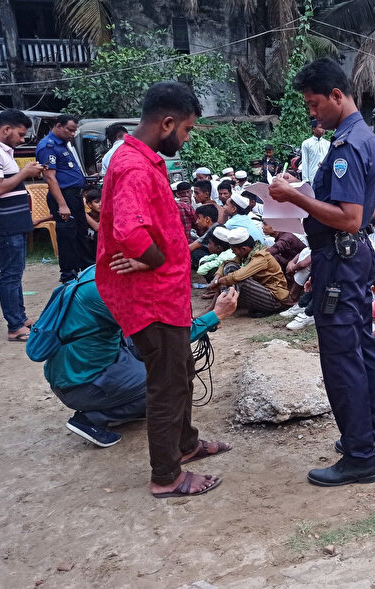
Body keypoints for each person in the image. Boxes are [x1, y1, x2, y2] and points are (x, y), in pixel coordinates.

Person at [96, 80, 228, 498]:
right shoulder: (133, 166)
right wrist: (153, 258)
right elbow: (130, 230)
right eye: (186, 131)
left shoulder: (142, 159)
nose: (186, 140)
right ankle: (166, 476)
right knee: (167, 382)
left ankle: (185, 445)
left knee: (181, 371)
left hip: (165, 294)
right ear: (167, 122)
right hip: (149, 298)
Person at [269, 58, 375, 486]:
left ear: (337, 95)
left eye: (314, 103)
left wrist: (293, 196)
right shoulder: (362, 135)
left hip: (339, 259)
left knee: (342, 359)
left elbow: (348, 217)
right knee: (360, 348)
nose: (312, 112)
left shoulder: (345, 145)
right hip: (350, 257)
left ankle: (360, 456)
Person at [42, 267, 238, 447]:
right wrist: (216, 315)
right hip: (81, 384)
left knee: (151, 356)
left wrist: (205, 320)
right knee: (167, 383)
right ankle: (93, 418)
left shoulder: (100, 272)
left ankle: (124, 398)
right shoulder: (114, 293)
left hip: (75, 369)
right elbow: (166, 339)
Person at [0, 109, 45, 342]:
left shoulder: (1, 150)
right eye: (21, 134)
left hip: (13, 221)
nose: (22, 139)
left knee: (15, 273)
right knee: (10, 275)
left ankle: (20, 318)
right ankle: (15, 326)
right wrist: (24, 172)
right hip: (5, 223)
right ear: (6, 129)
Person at [36, 114, 92, 283]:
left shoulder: (63, 145)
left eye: (74, 130)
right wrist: (62, 205)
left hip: (74, 195)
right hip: (63, 196)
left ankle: (86, 270)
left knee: (80, 232)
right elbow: (51, 178)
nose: (72, 134)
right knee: (67, 234)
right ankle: (68, 274)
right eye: (70, 130)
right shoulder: (48, 146)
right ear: (58, 126)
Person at [300, 118, 330, 184]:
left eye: (324, 128)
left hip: (325, 176)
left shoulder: (327, 144)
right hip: (312, 176)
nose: (323, 130)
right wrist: (305, 179)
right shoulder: (306, 143)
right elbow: (305, 161)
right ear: (313, 129)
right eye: (320, 128)